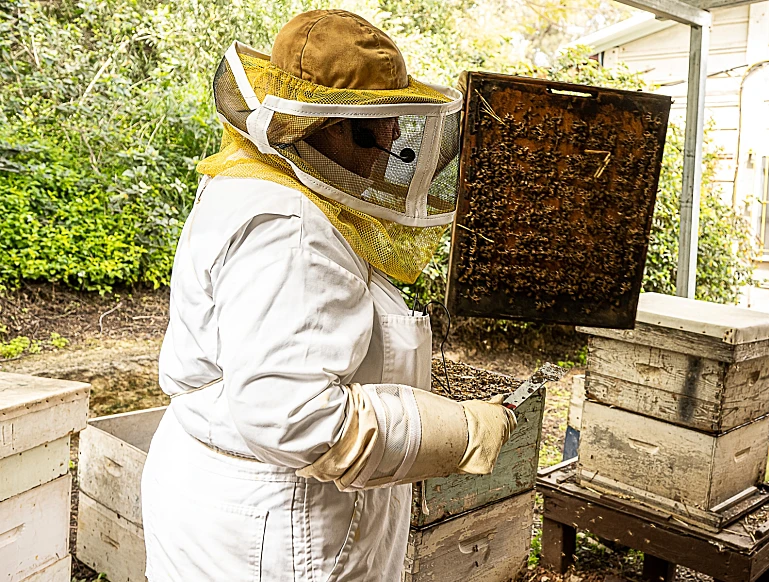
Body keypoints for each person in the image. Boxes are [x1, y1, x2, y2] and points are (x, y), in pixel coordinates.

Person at [140, 10, 517, 582]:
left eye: (397, 114)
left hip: (241, 507)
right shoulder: (290, 228)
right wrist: (463, 432)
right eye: (374, 121)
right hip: (278, 526)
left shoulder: (257, 182)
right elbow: (292, 416)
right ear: (315, 124)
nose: (393, 136)